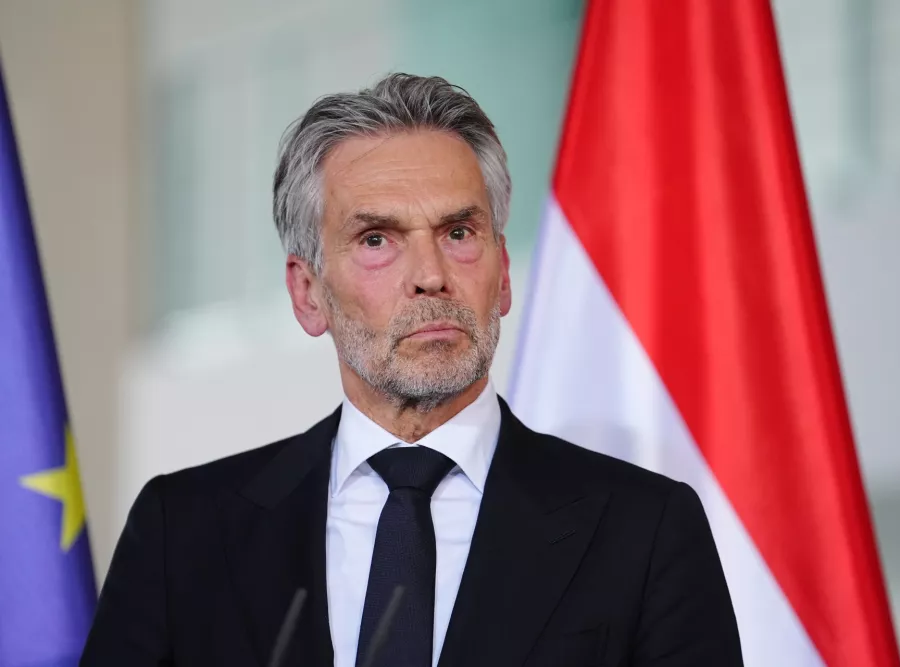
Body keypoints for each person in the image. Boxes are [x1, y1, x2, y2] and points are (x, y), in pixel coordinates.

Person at [81, 73, 742, 667]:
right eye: (377, 240)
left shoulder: (645, 529)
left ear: (504, 274)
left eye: (459, 233)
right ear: (308, 293)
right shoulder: (184, 531)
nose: (431, 276)